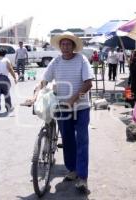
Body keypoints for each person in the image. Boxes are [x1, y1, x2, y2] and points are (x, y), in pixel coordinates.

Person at [28, 32, 93, 192]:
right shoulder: (56, 62)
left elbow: (88, 83)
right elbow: (44, 80)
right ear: (60, 46)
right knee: (68, 140)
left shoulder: (82, 60)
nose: (65, 47)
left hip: (81, 108)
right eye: (63, 44)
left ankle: (83, 178)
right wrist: (35, 95)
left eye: (68, 44)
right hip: (62, 109)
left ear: (73, 46)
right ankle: (72, 170)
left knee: (82, 141)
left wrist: (73, 100)